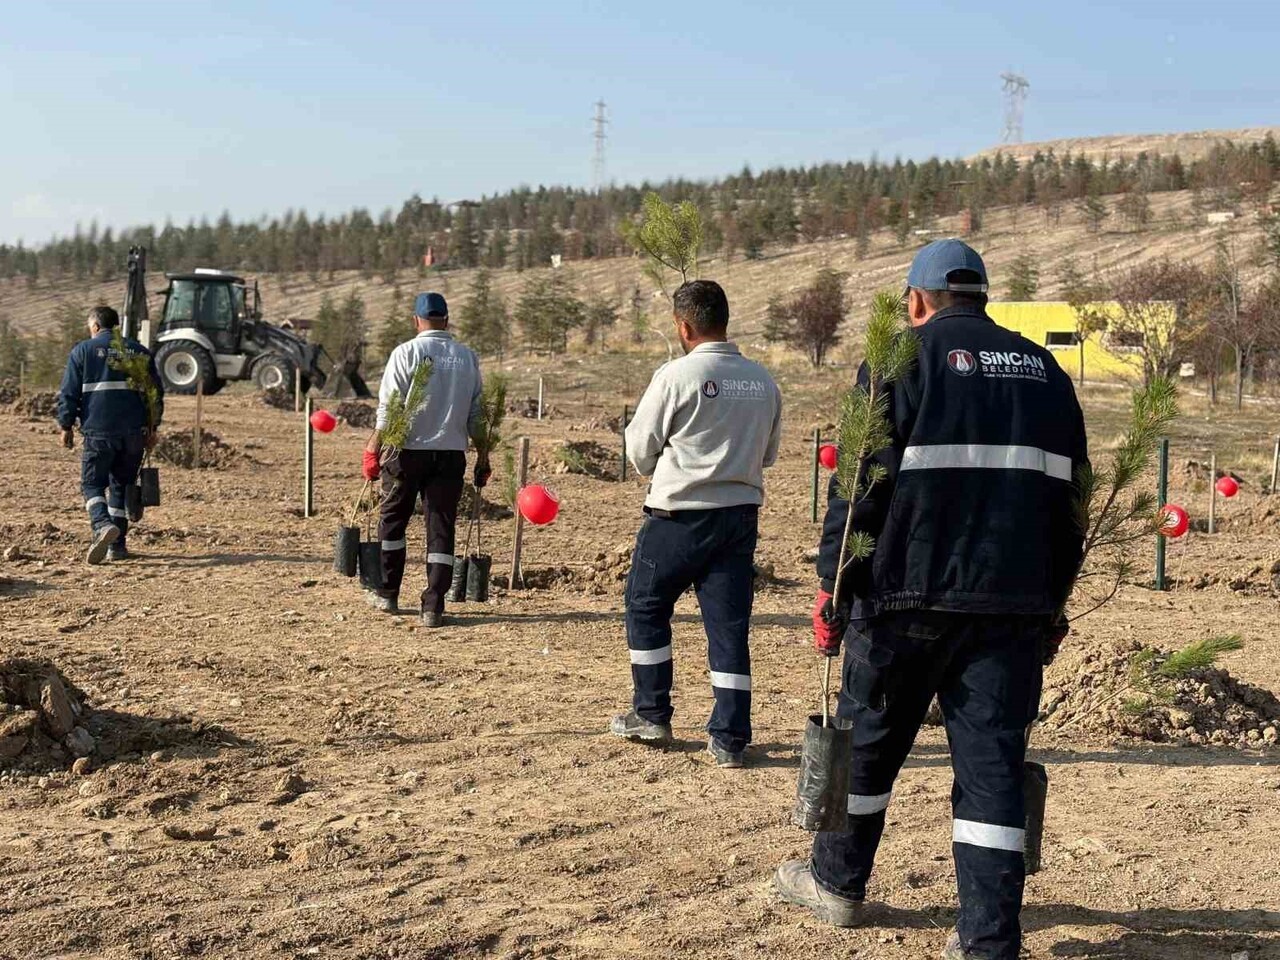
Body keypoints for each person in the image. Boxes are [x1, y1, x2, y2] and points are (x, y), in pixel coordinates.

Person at [773, 239, 1089, 960]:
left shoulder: (899, 362)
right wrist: (1053, 602)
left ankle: (837, 883)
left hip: (903, 600)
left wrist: (833, 585)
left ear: (916, 301)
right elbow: (1074, 504)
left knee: (868, 745)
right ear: (982, 296)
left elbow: (858, 490)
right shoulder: (1045, 372)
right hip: (1011, 606)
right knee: (992, 772)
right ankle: (987, 939)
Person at [609, 280, 782, 769]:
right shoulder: (763, 381)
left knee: (646, 605)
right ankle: (730, 738)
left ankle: (652, 714)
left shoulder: (675, 376)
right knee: (729, 627)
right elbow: (768, 454)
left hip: (678, 518)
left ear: (683, 327)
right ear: (725, 320)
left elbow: (639, 451)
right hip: (739, 518)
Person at [363, 292, 488, 627]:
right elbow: (477, 415)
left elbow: (389, 407)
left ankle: (388, 593)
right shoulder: (467, 357)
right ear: (446, 320)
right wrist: (483, 455)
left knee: (393, 522)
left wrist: (373, 447)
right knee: (441, 528)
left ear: (416, 320)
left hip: (406, 453)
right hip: (450, 455)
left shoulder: (406, 353)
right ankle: (433, 607)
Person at [56, 305, 164, 565]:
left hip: (99, 431)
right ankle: (117, 547)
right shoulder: (139, 351)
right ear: (116, 326)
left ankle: (102, 524)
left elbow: (69, 393)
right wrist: (153, 428)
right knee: (122, 485)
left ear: (95, 326)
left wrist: (66, 425)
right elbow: (155, 395)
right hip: (134, 433)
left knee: (91, 484)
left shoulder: (83, 351)